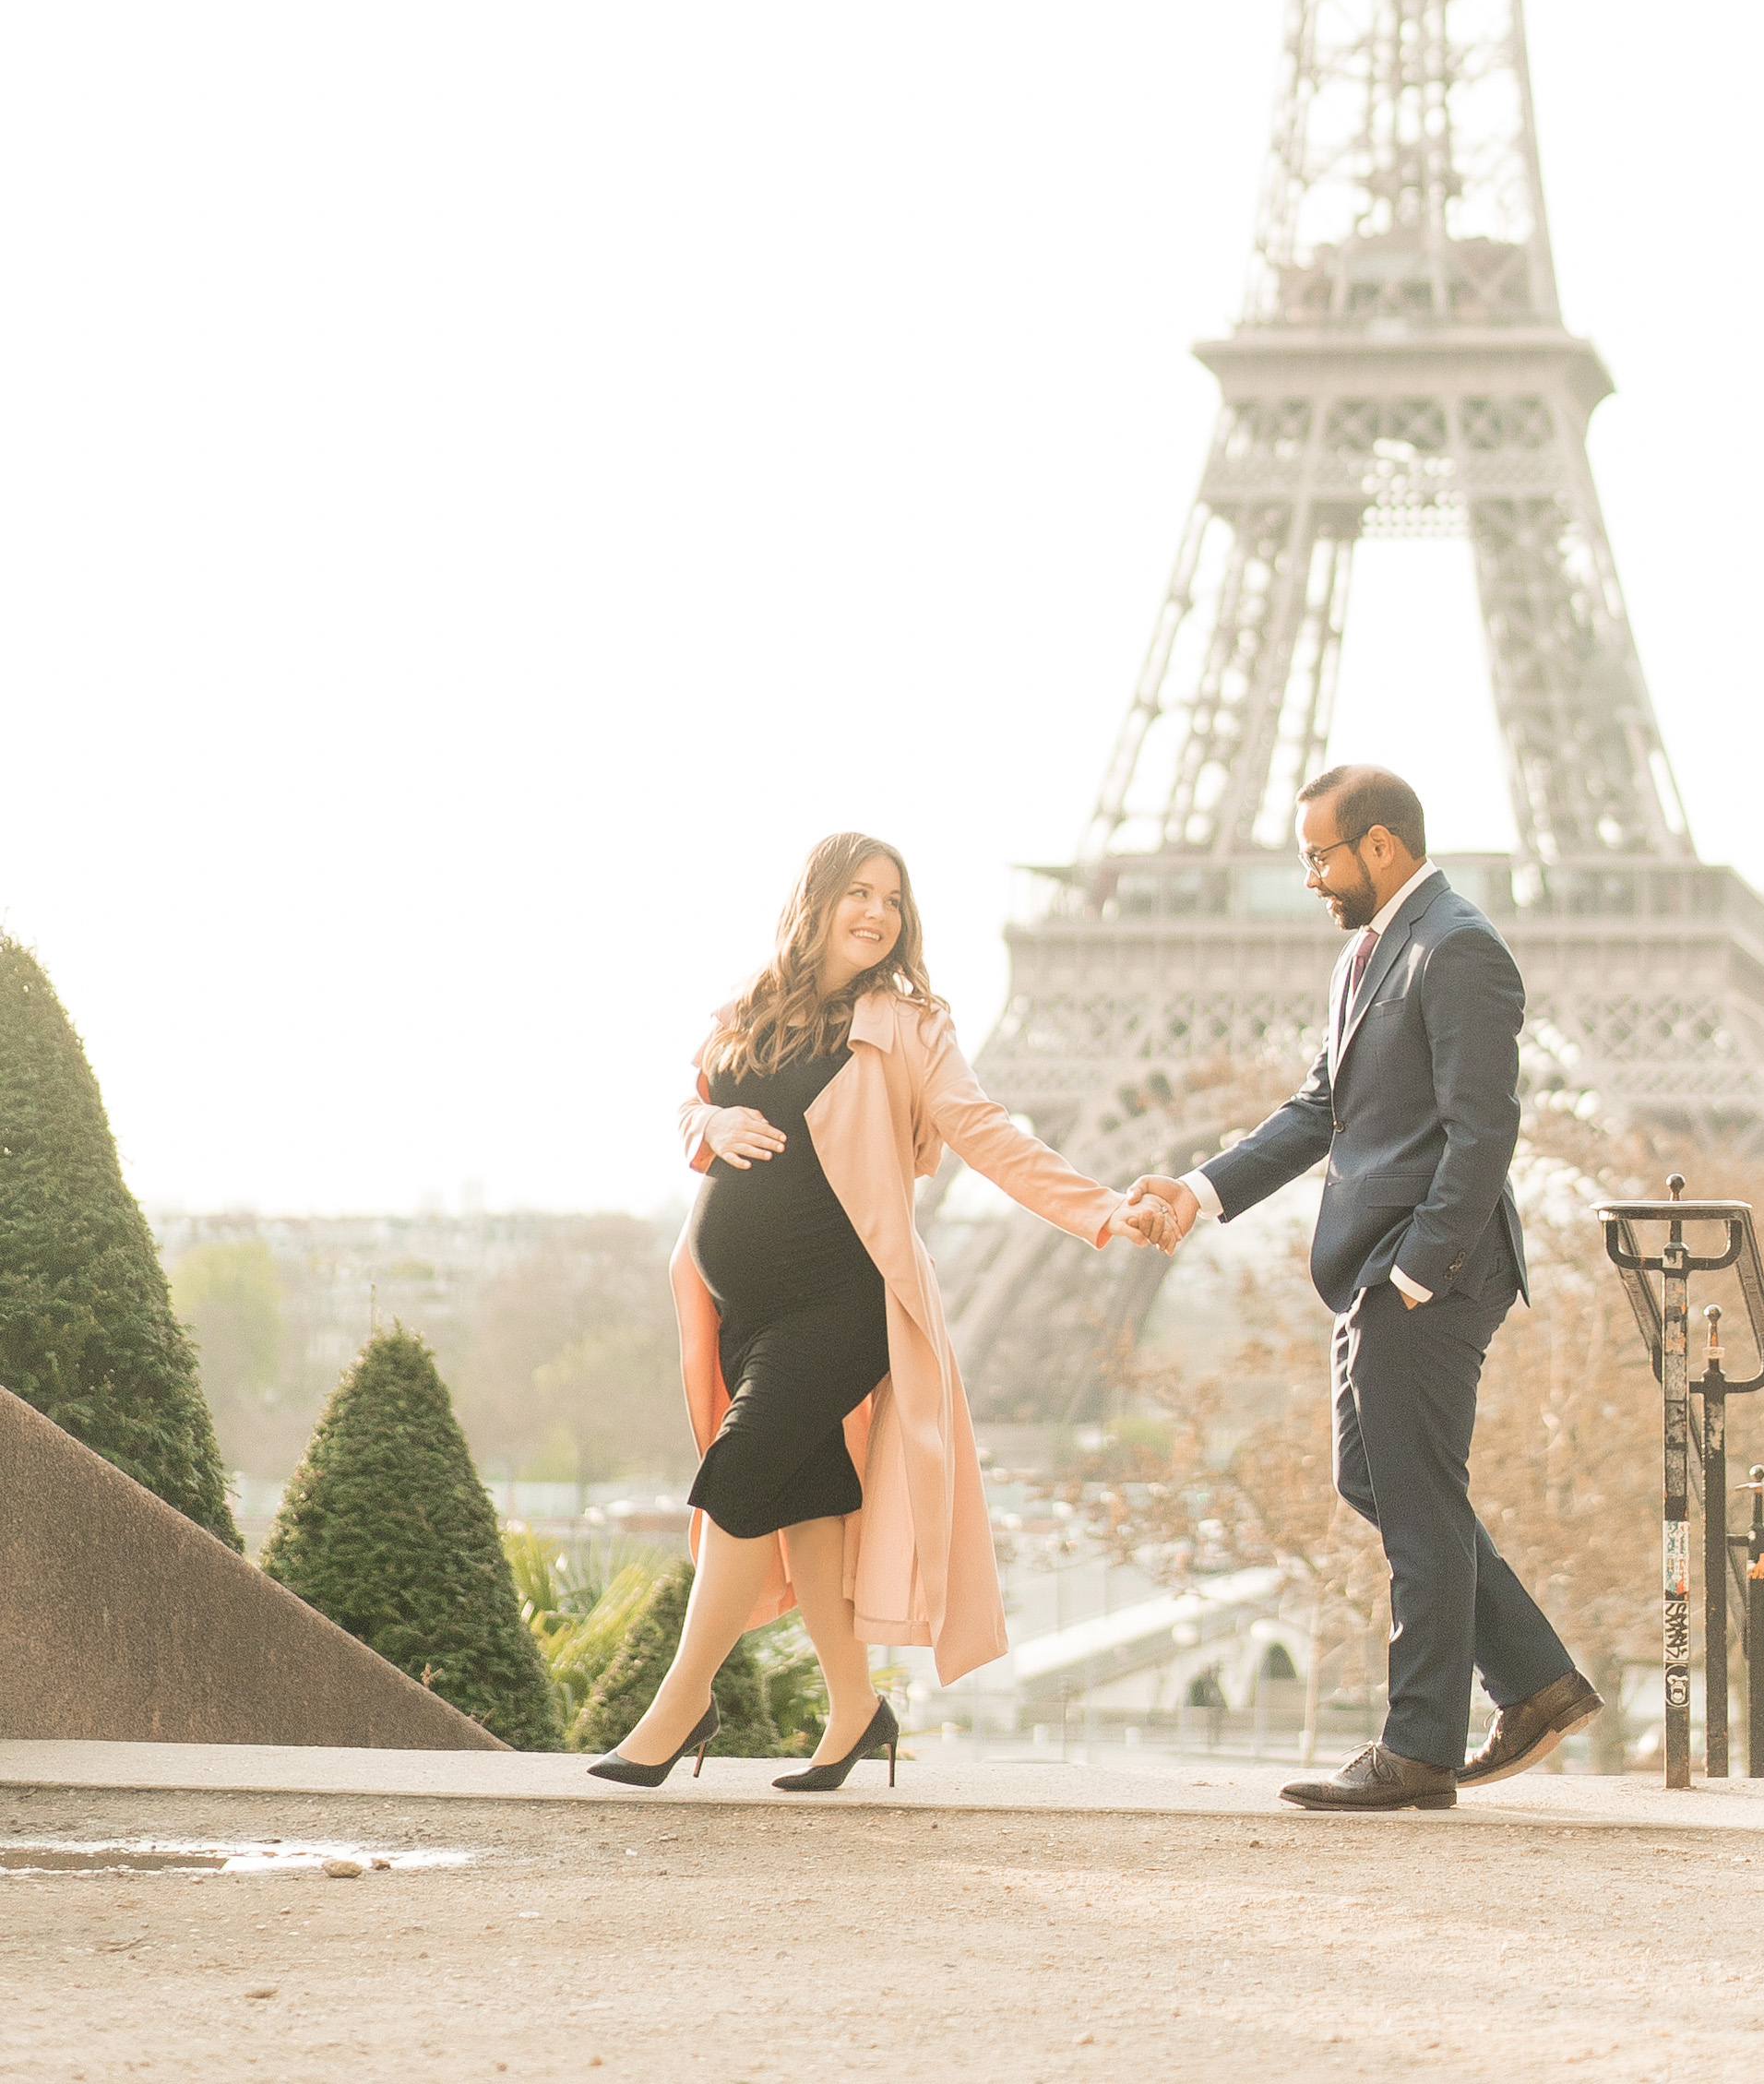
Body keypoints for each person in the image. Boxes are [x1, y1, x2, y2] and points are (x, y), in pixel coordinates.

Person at [589, 829, 1176, 1791]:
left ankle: (680, 1703)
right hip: (743, 1310)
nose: (875, 912)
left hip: (843, 1302)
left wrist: (1105, 1209)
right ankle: (857, 1709)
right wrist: (710, 1124)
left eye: (892, 899)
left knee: (739, 1475)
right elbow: (691, 1104)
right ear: (813, 902)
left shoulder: (909, 1026)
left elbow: (986, 1134)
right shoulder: (748, 1009)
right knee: (805, 1500)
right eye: (857, 892)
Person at [1128, 764, 1600, 1812]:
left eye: (1317, 854)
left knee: (1418, 1500)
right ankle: (1535, 1680)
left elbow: (1483, 1131)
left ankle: (1418, 1745)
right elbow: (1317, 1109)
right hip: (1380, 1269)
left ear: (1378, 844)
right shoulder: (1367, 956)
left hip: (1428, 1270)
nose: (1308, 877)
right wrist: (1197, 1191)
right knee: (1378, 1483)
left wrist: (1421, 1273)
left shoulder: (1457, 945)